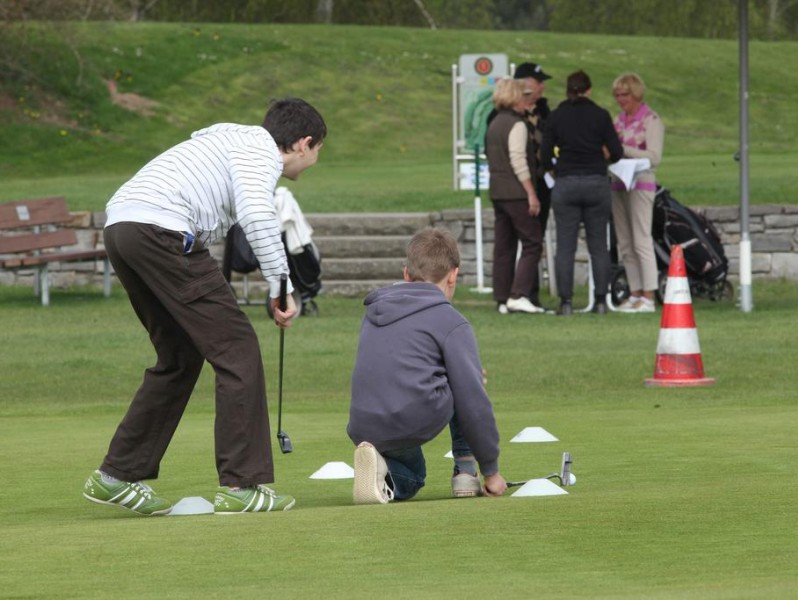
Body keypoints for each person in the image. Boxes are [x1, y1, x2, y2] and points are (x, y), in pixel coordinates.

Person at [82, 97, 327, 516]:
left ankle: (117, 475)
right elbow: (255, 213)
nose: (315, 160)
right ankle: (241, 485)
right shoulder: (261, 152)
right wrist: (281, 284)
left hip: (123, 228)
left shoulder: (231, 139)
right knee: (237, 349)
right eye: (318, 151)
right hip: (160, 229)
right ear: (304, 143)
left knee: (180, 355)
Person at [347, 228, 507, 504]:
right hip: (410, 419)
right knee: (468, 379)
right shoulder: (451, 321)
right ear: (454, 275)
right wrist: (491, 471)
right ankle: (466, 472)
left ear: (406, 274)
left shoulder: (374, 310)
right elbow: (472, 401)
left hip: (362, 423)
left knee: (409, 468)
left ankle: (379, 471)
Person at [540, 70, 623, 316]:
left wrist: (554, 169)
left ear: (568, 90)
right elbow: (617, 152)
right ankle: (600, 301)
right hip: (596, 182)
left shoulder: (556, 116)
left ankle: (566, 302)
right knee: (599, 245)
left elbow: (545, 154)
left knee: (565, 246)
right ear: (588, 90)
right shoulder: (600, 115)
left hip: (566, 182)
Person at [485, 77, 545, 315]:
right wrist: (531, 193)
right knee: (532, 243)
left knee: (504, 245)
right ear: (514, 98)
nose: (526, 101)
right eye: (523, 96)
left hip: (498, 192)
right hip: (516, 192)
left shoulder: (494, 123)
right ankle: (518, 294)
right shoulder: (517, 125)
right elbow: (518, 161)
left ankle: (502, 296)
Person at [610, 73, 664, 313]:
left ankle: (649, 296)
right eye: (618, 95)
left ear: (636, 94)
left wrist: (624, 150)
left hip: (641, 183)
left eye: (625, 95)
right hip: (618, 182)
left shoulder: (651, 120)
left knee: (641, 239)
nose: (621, 100)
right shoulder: (617, 120)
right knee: (625, 241)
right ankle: (634, 293)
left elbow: (654, 157)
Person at [513, 63, 554, 309]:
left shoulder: (546, 111)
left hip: (542, 183)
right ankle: (516, 291)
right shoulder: (506, 114)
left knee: (535, 239)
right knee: (520, 240)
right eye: (537, 81)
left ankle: (531, 291)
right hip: (517, 185)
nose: (541, 86)